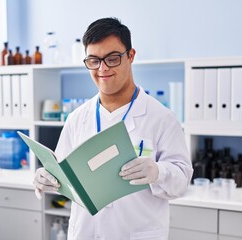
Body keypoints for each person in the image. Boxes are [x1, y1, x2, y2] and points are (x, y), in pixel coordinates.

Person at [34, 17, 193, 240]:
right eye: (93, 60)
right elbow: (63, 175)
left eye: (112, 58)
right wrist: (46, 177)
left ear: (131, 56)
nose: (102, 68)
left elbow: (182, 179)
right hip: (85, 233)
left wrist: (158, 172)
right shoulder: (77, 118)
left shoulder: (162, 118)